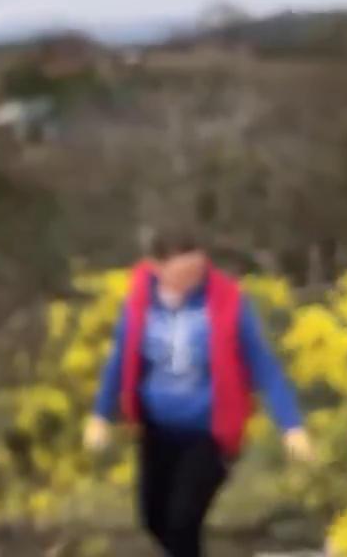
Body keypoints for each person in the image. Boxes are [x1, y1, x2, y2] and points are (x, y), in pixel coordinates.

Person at [83, 229, 313, 557]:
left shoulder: (227, 300)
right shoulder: (139, 301)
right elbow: (120, 359)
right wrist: (100, 415)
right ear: (157, 267)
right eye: (182, 272)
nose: (193, 278)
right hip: (157, 429)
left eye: (197, 268)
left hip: (210, 432)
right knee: (154, 520)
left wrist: (291, 426)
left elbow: (263, 364)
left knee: (182, 523)